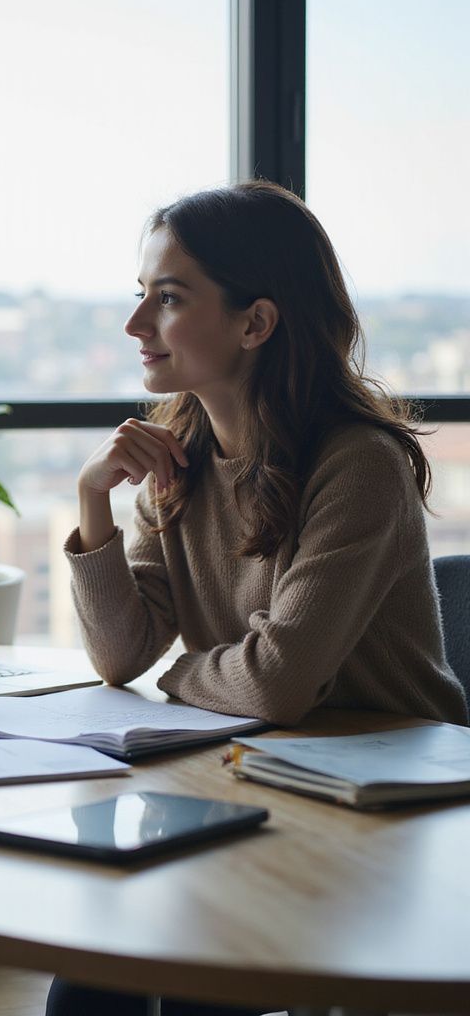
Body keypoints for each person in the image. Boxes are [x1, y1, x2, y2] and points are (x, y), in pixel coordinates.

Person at [49, 180, 467, 1016]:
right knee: (97, 966)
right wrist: (94, 499)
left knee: (194, 968)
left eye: (167, 299)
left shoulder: (359, 464)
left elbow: (276, 684)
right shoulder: (180, 461)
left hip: (395, 808)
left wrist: (181, 675)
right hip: (261, 780)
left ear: (255, 322)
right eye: (141, 297)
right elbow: (122, 652)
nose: (136, 327)